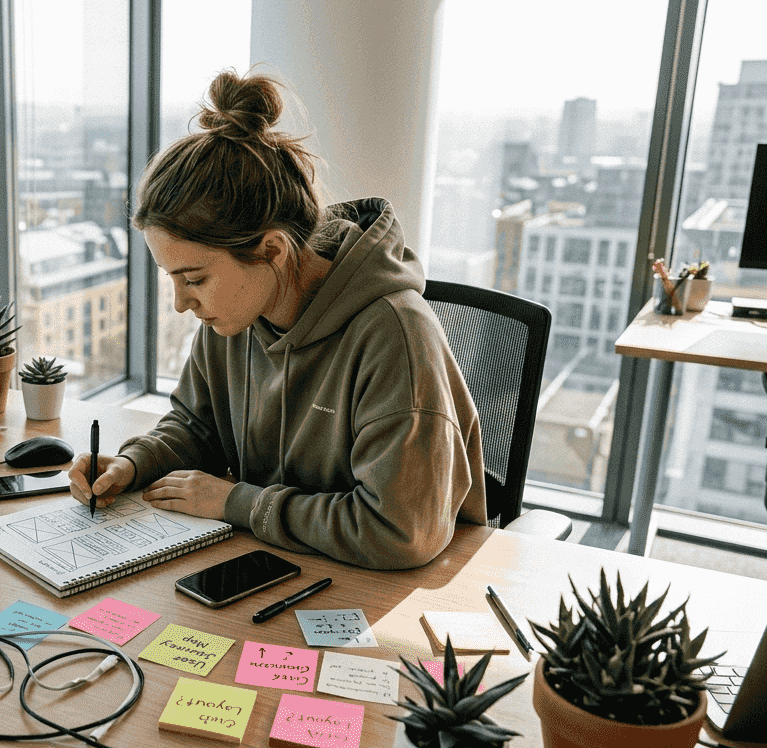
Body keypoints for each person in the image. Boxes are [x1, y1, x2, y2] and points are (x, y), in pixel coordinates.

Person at [68, 69, 486, 570]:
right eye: (171, 278)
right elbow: (198, 425)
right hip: (279, 563)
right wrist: (135, 463)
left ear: (271, 249)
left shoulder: (395, 336)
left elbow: (399, 532)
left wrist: (233, 503)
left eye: (195, 279)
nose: (180, 303)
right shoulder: (234, 318)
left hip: (391, 592)